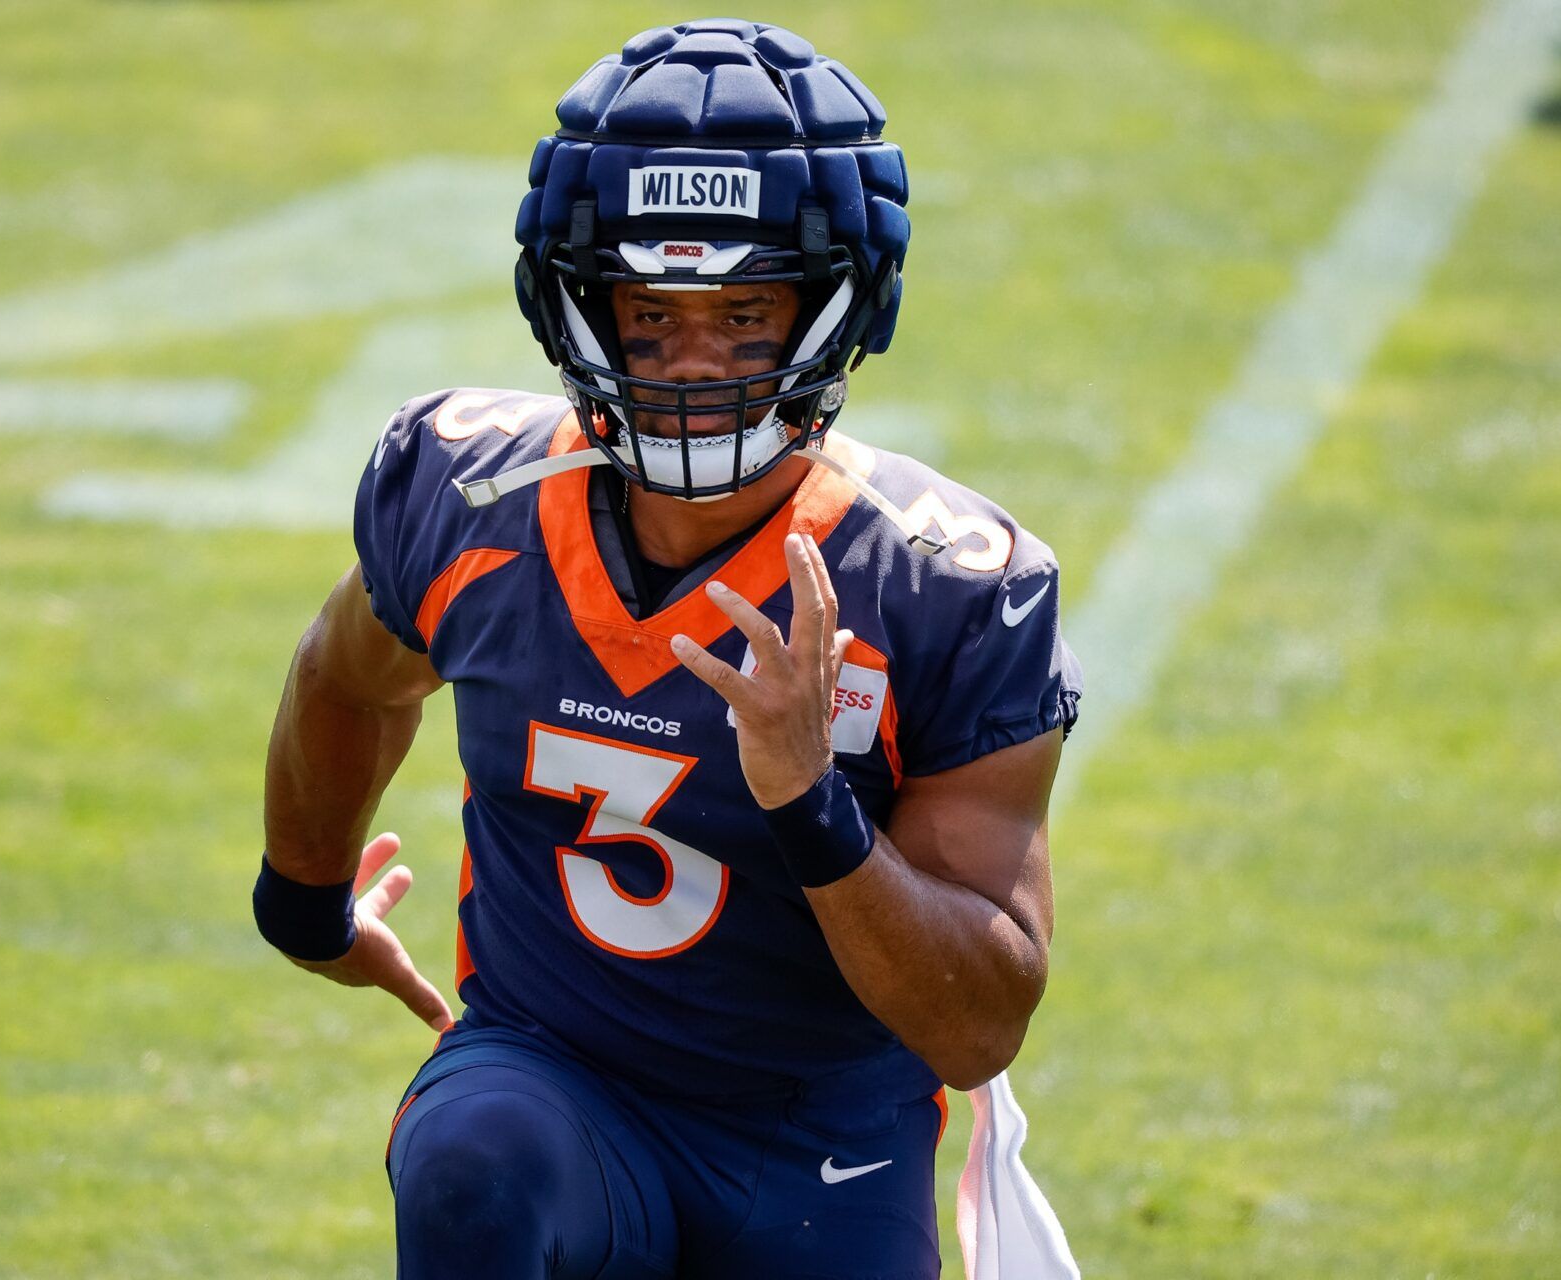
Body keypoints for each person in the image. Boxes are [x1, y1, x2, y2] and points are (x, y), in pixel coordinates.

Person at [255, 19, 1083, 1279]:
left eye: (747, 313)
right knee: (473, 1166)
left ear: (835, 303)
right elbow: (346, 675)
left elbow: (978, 1026)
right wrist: (303, 901)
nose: (696, 361)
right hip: (553, 1076)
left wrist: (811, 802)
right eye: (650, 313)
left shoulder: (946, 586)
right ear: (578, 303)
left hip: (821, 1151)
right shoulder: (467, 495)